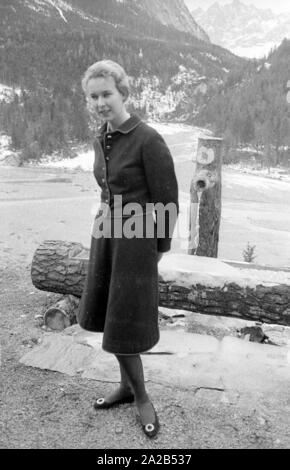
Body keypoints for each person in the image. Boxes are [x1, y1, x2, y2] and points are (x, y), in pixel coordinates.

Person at [78, 59, 179, 439]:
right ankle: (125, 388)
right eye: (94, 96)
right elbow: (106, 188)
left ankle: (141, 397)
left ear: (123, 93)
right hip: (106, 233)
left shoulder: (147, 138)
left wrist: (158, 248)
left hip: (137, 239)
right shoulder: (101, 136)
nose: (101, 102)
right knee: (111, 313)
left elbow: (167, 199)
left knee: (125, 318)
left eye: (107, 93)